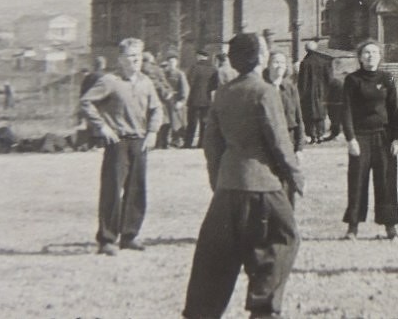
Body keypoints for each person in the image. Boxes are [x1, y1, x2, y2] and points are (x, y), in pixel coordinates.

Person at [182, 33, 305, 319]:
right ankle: (263, 308)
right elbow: (278, 141)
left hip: (228, 186)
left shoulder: (223, 92)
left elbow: (211, 143)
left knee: (216, 254)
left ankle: (201, 312)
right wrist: (296, 176)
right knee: (283, 239)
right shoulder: (264, 91)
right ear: (260, 57)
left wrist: (218, 180)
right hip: (263, 185)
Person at [80, 38, 163, 256]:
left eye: (138, 56)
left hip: (140, 141)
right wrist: (102, 127)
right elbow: (86, 102)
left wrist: (153, 132)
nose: (135, 61)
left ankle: (130, 236)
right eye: (130, 56)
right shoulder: (110, 81)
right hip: (117, 142)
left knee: (137, 190)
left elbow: (157, 109)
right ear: (120, 59)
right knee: (112, 191)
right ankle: (107, 239)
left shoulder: (146, 82)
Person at [341, 40, 398, 240]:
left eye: (374, 52)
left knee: (386, 180)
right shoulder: (352, 80)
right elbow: (346, 111)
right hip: (361, 137)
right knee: (357, 181)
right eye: (366, 52)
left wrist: (396, 139)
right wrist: (350, 139)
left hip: (384, 137)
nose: (370, 56)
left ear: (380, 56)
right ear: (359, 57)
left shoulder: (388, 78)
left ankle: (390, 227)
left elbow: (394, 111)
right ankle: (353, 227)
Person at [264, 51, 305, 174]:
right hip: (267, 143)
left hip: (289, 141)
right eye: (276, 62)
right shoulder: (262, 88)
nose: (280, 65)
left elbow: (299, 118)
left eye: (282, 62)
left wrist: (299, 149)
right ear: (268, 65)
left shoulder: (290, 88)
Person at [297, 41, 330, 144]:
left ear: (306, 50)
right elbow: (329, 79)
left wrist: (301, 94)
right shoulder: (324, 61)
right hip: (322, 92)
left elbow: (302, 81)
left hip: (308, 93)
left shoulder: (305, 62)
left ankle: (312, 136)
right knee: (321, 114)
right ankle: (320, 135)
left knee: (309, 114)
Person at [185, 50, 218, 149]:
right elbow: (215, 85)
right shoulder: (213, 68)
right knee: (204, 122)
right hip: (207, 100)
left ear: (198, 56)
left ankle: (188, 143)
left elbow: (190, 81)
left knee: (192, 123)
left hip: (194, 99)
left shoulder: (194, 67)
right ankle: (202, 143)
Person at [159, 54, 190, 149]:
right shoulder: (163, 73)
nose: (171, 63)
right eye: (169, 62)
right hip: (165, 102)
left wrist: (182, 101)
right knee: (164, 122)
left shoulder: (180, 74)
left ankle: (176, 141)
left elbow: (185, 89)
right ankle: (162, 142)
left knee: (176, 123)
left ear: (176, 63)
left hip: (175, 101)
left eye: (173, 62)